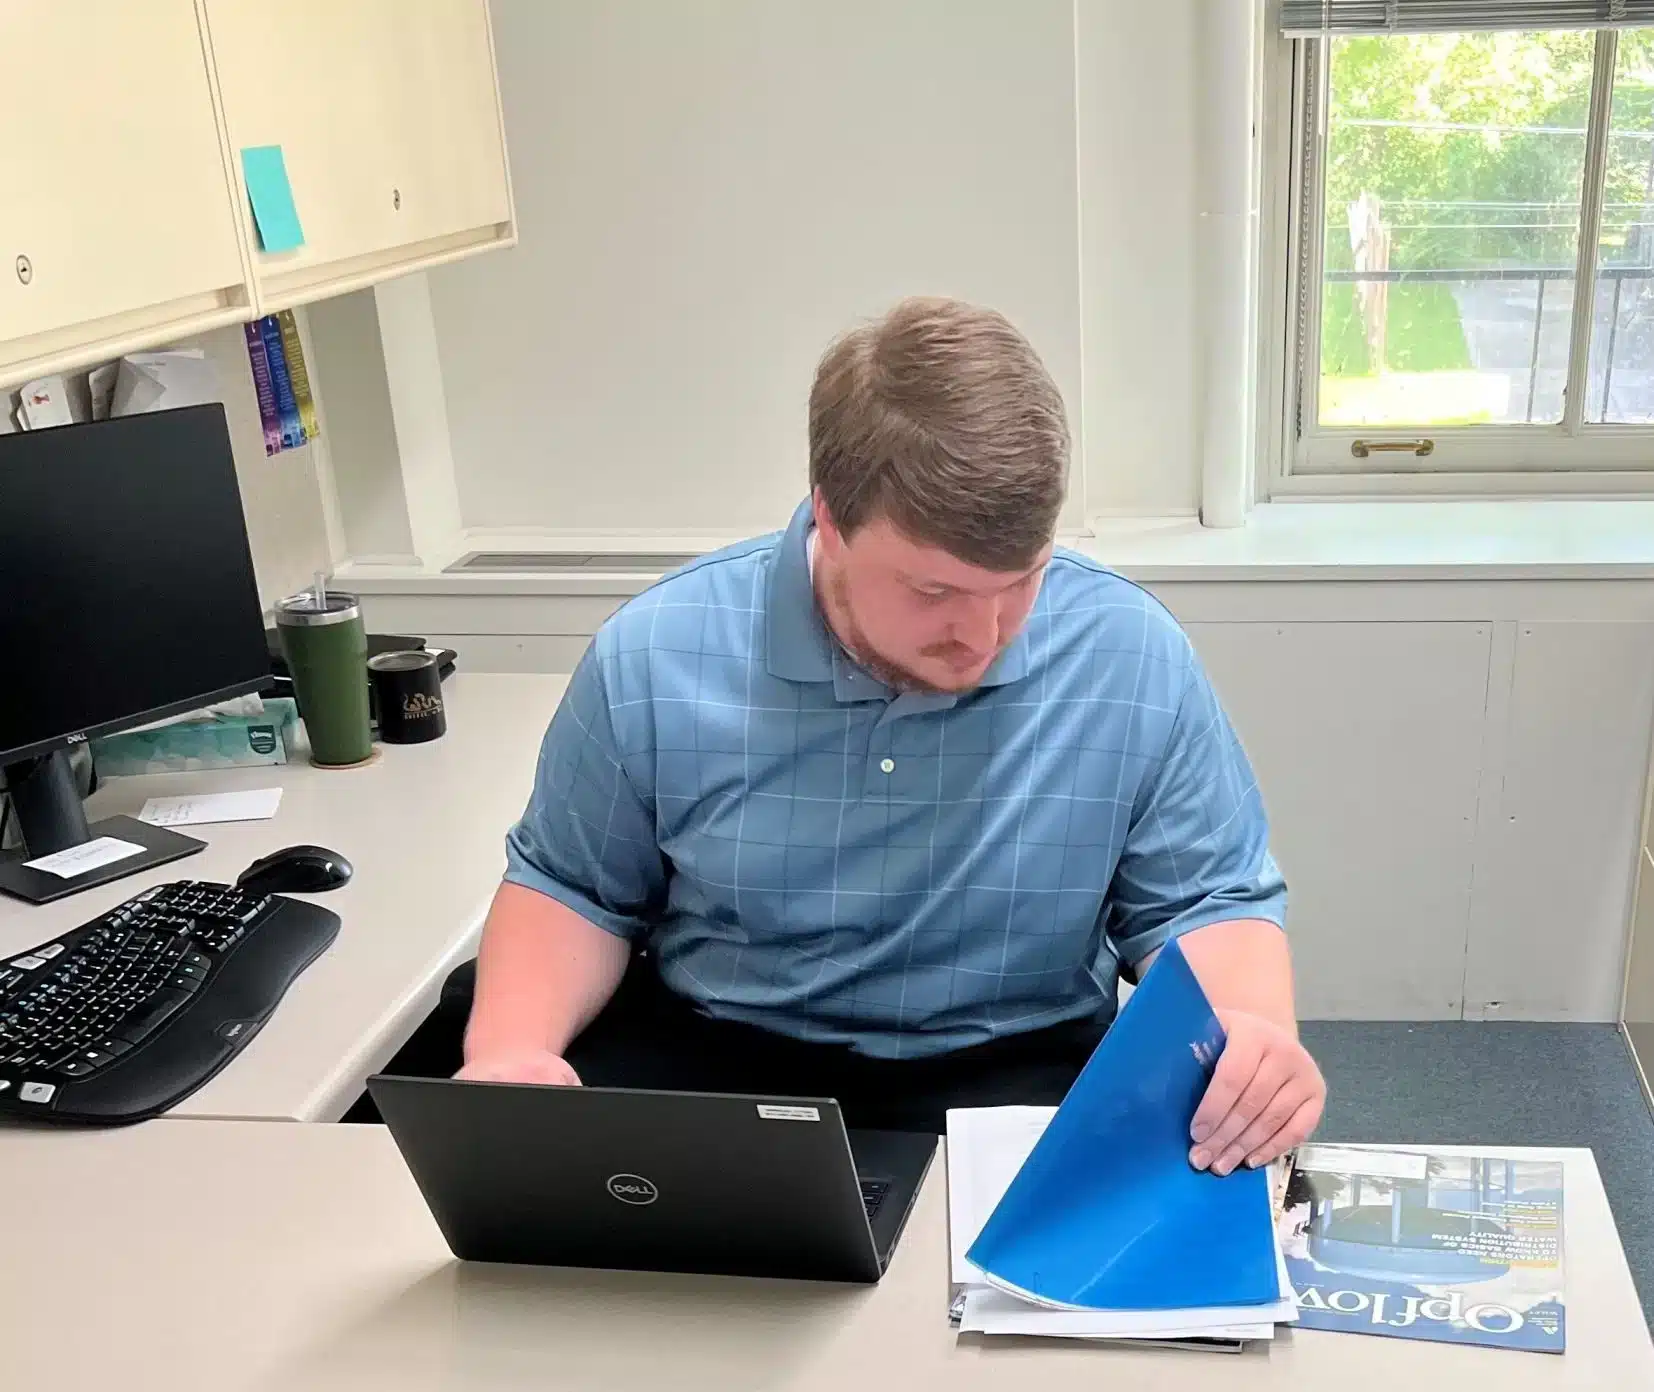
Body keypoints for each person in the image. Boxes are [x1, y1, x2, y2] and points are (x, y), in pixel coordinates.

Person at [456, 296, 1325, 1167]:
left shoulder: (1130, 654)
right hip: (722, 1056)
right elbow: (574, 888)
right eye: (934, 593)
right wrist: (510, 1056)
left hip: (1021, 1060)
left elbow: (1207, 899)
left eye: (1021, 582)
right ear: (830, 519)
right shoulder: (654, 654)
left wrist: (1249, 1038)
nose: (984, 638)